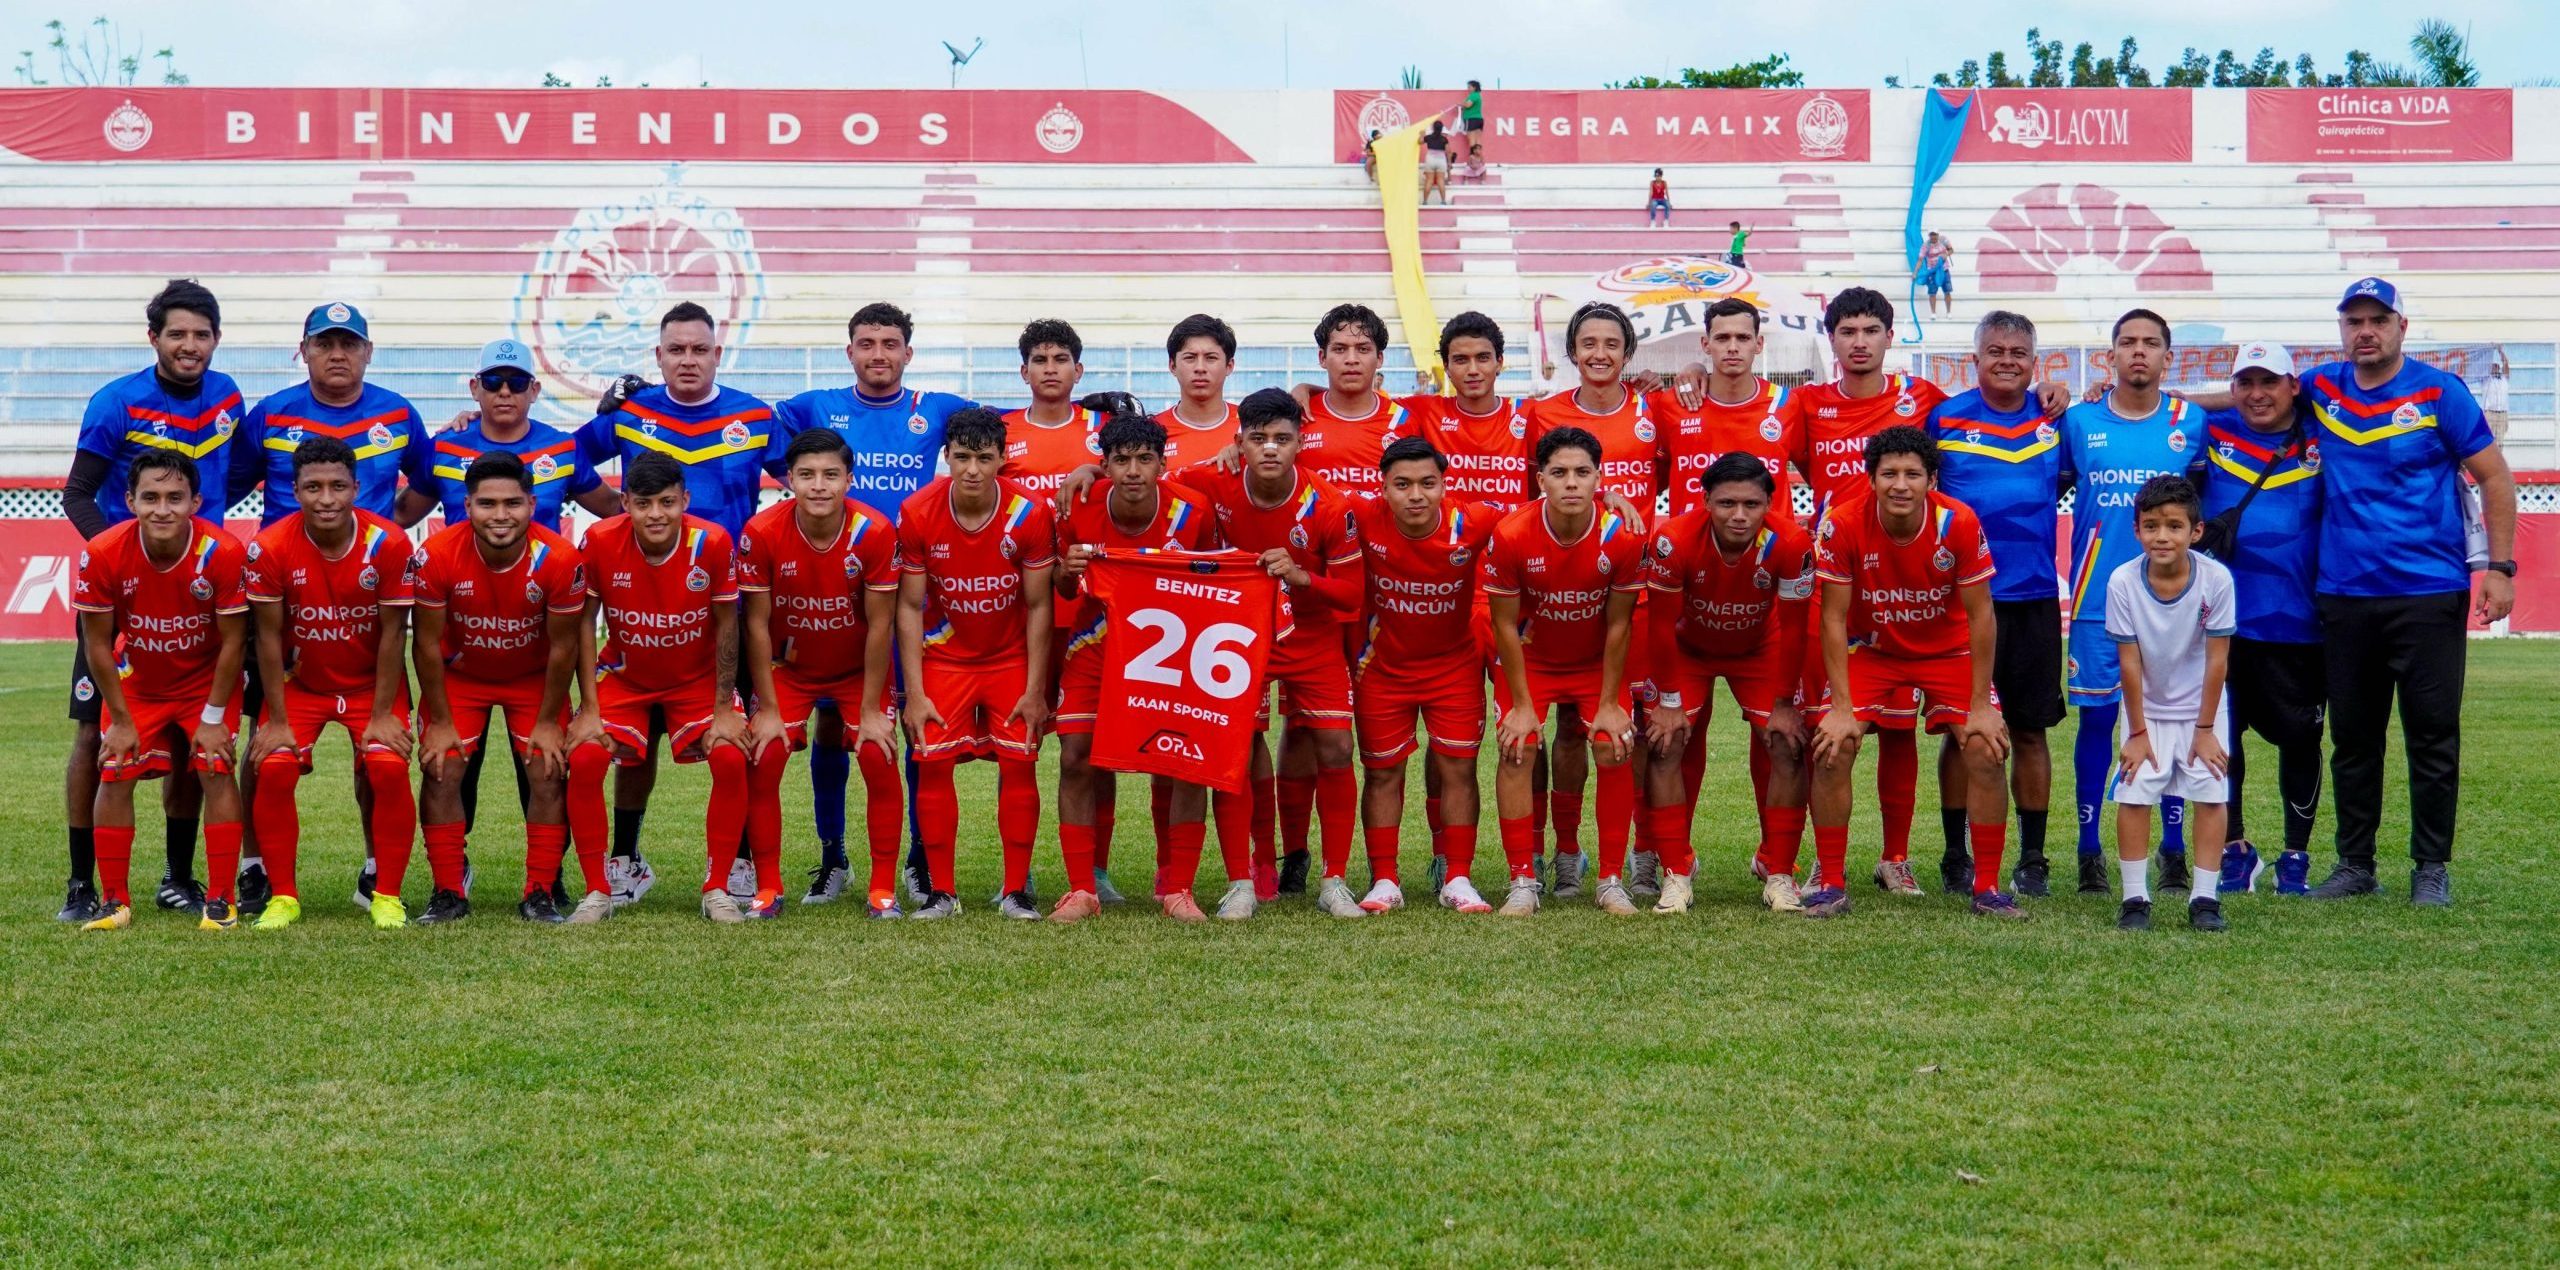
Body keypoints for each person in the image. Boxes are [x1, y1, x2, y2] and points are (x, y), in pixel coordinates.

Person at [760, 302, 987, 906]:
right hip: (829, 594)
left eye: (890, 344)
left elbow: (1009, 429)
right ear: (850, 352)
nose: (878, 354)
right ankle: (833, 856)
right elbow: (749, 427)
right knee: (832, 722)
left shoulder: (937, 408)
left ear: (908, 352)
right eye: (867, 343)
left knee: (910, 719)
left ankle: (917, 858)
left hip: (910, 590)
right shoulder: (814, 406)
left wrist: (1097, 415)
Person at [2299, 278, 2516, 905]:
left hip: (2428, 592)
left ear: (2401, 327)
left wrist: (2500, 568)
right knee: (2353, 739)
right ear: (2342, 330)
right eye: (2354, 321)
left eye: (2377, 320)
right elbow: (2250, 395)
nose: (2365, 332)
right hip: (2345, 594)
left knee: (2432, 734)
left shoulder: (2440, 392)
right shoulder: (2322, 387)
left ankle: (2431, 867)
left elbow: (2495, 477)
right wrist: (2156, 395)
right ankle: (2355, 865)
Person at [227, 300, 435, 917]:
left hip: (364, 592)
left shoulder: (398, 413)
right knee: (265, 745)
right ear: (304, 351)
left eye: (348, 343)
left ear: (368, 352)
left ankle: (378, 871)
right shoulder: (270, 414)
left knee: (378, 757)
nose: (336, 354)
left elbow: (430, 481)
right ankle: (255, 868)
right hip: (284, 597)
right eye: (324, 343)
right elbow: (224, 484)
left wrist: (385, 533)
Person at [58, 281, 246, 924]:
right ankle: (83, 883)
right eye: (177, 333)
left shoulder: (228, 396)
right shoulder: (115, 402)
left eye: (201, 334)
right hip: (124, 595)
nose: (189, 345)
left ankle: (179, 877)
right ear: (154, 338)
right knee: (96, 734)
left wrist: (191, 545)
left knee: (198, 739)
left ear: (216, 340)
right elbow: (77, 493)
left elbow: (234, 475)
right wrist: (121, 560)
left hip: (199, 590)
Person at [575, 301, 775, 903]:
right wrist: (616, 516)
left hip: (726, 604)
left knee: (736, 737)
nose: (688, 360)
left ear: (718, 354)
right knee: (633, 749)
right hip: (645, 601)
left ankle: (739, 863)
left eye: (699, 349)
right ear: (658, 357)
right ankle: (626, 859)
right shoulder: (631, 413)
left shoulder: (755, 415)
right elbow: (565, 458)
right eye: (676, 350)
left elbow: (809, 471)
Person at [1807, 427, 2019, 920]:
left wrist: (1982, 706)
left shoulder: (1958, 522)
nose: (1900, 485)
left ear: (1931, 480)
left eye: (1912, 474)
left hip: (1949, 651)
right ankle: (1831, 883)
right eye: (1889, 474)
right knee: (1833, 747)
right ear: (1871, 479)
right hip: (1874, 650)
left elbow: (1982, 615)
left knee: (1986, 748)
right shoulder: (1843, 524)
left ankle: (1987, 888)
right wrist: (1841, 709)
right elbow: (1832, 618)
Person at [1173, 389, 1366, 916]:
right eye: (1258, 438)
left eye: (1282, 438)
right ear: (1239, 443)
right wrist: (1092, 472)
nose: (1271, 448)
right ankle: (1242, 880)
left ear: (1301, 443)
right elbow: (1144, 479)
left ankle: (1334, 881)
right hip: (1240, 636)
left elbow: (1352, 595)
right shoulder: (1211, 480)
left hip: (1310, 635)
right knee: (1235, 752)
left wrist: (1303, 577)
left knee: (1336, 747)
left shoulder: (1329, 506)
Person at [1050, 410, 1224, 922]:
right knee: (1075, 757)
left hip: (1168, 655)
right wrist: (1067, 572)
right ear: (1103, 465)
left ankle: (1178, 888)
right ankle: (1082, 890)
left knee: (1183, 761)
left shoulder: (1193, 511)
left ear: (1160, 464)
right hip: (1094, 646)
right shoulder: (1078, 506)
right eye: (1121, 460)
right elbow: (1062, 586)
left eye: (1144, 459)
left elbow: (1216, 580)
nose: (1132, 471)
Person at [241, 437, 418, 930]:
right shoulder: (270, 546)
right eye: (313, 487)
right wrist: (276, 721)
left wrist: (382, 716)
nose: (326, 499)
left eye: (337, 486)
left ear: (356, 488)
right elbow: (267, 638)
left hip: (370, 688)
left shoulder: (388, 543)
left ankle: (388, 895)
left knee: (387, 766)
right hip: (302, 686)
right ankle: (283, 897)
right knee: (274, 766)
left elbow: (393, 635)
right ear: (293, 490)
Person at [407, 453, 591, 926]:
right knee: (442, 767)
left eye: (513, 503)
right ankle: (448, 891)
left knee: (547, 769)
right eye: (487, 504)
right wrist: (440, 721)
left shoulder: (560, 558)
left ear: (532, 504)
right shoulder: (436, 555)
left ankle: (541, 891)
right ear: (467, 505)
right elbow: (425, 644)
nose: (501, 515)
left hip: (532, 679)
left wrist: (548, 722)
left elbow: (563, 649)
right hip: (462, 677)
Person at [69, 450, 250, 931]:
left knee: (214, 765)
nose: (162, 509)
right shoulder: (104, 551)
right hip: (139, 681)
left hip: (204, 683)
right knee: (114, 768)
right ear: (130, 501)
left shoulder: (223, 552)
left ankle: (221, 900)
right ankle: (114, 902)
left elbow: (234, 643)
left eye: (175, 497)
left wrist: (212, 719)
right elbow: (97, 643)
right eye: (150, 497)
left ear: (196, 502)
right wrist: (120, 720)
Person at [2058, 310, 2206, 896]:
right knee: (2097, 720)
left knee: (2170, 722)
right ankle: (2088, 849)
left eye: (2150, 343)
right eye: (2127, 342)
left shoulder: (2191, 422)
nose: (2138, 351)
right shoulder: (2078, 421)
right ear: (2110, 356)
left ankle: (2173, 848)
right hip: (2097, 598)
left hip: (2171, 603)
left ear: (2168, 356)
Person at [570, 454, 754, 919]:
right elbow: (582, 623)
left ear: (684, 500)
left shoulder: (712, 541)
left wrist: (724, 707)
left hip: (696, 680)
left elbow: (727, 625)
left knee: (731, 755)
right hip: (625, 678)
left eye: (667, 502)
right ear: (625, 503)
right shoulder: (599, 540)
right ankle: (597, 891)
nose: (656, 514)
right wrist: (587, 708)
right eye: (644, 503)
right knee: (586, 757)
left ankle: (718, 887)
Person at [895, 408, 1056, 921]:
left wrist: (1035, 689)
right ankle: (942, 893)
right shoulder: (918, 511)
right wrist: (914, 694)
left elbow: (1039, 606)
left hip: (1010, 658)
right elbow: (908, 606)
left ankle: (1016, 891)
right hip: (946, 656)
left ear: (1002, 459)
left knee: (1020, 764)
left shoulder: (1029, 513)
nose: (972, 470)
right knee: (932, 764)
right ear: (946, 456)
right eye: (962, 457)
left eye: (984, 458)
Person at [738, 430, 905, 915]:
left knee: (876, 751)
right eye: (807, 475)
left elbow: (881, 625)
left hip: (856, 671)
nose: (818, 485)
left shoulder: (874, 531)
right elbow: (755, 624)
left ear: (849, 479)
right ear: (788, 479)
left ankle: (882, 887)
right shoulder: (762, 531)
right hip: (790, 670)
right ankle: (768, 887)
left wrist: (871, 710)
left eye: (831, 475)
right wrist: (769, 708)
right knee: (765, 753)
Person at [1482, 426, 1645, 916]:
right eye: (1559, 473)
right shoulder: (1512, 534)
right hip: (1532, 659)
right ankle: (1522, 881)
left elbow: (1620, 623)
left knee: (1612, 744)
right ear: (1541, 480)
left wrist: (1611, 703)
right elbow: (1503, 625)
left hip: (1594, 662)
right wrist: (1522, 706)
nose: (1571, 482)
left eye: (1582, 472)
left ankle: (1610, 880)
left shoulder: (1622, 535)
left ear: (1599, 478)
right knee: (1518, 748)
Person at [1928, 310, 2064, 897]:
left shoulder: (2057, 420)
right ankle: (1955, 856)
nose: (2007, 361)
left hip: (2033, 598)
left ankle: (2032, 859)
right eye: (1996, 351)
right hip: (1962, 602)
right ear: (1976, 358)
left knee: (2030, 731)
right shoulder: (1944, 418)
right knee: (1960, 731)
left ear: (2034, 362)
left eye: (2018, 353)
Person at [1644, 453, 1814, 914]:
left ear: (1769, 505)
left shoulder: (1792, 542)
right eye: (1726, 504)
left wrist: (1784, 703)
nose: (1739, 515)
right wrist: (1669, 702)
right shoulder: (1673, 540)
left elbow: (1795, 629)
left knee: (1787, 743)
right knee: (1666, 742)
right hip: (1688, 649)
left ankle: (1778, 871)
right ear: (1705, 501)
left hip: (1760, 647)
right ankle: (1676, 872)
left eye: (1751, 504)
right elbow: (1660, 627)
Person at [2196, 341, 2324, 897]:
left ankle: (2296, 855)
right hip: (2221, 624)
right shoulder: (2211, 430)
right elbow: (2157, 408)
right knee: (2223, 741)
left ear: (2294, 386)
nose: (2256, 394)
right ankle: (2235, 850)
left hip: (2300, 624)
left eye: (2269, 381)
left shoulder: (2324, 434)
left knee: (2301, 740)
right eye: (2245, 383)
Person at [1353, 437, 1500, 913]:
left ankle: (1458, 878)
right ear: (1383, 488)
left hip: (1454, 667)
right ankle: (1384, 880)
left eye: (1427, 483)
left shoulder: (1473, 520)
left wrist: (1608, 496)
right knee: (1382, 772)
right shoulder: (1361, 516)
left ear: (1443, 485)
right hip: (1383, 669)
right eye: (1402, 484)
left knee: (1459, 769)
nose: (1416, 495)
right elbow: (1300, 498)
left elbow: (1542, 512)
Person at [2105, 476, 2236, 932]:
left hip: (2204, 711)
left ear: (2195, 532)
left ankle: (2205, 899)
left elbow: (2217, 661)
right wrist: (2138, 733)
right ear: (2136, 530)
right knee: (2134, 792)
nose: (2162, 536)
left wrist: (2205, 731)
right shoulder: (2122, 581)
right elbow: (2129, 663)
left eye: (2175, 526)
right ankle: (2134, 899)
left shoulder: (2216, 579)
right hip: (2146, 711)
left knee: (2211, 794)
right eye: (2151, 526)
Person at [1156, 314, 1242, 469]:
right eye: (1190, 358)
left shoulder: (1251, 427)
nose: (1200, 368)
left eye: (1211, 358)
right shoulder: (1152, 431)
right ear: (1172, 366)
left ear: (1229, 366)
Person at [1919, 231, 1955, 316]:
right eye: (1932, 235)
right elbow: (1920, 259)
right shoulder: (1926, 245)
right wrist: (1915, 273)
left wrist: (1946, 254)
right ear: (1929, 236)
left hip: (1944, 270)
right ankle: (1933, 313)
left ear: (1938, 235)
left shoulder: (1943, 240)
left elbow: (1951, 250)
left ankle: (1948, 312)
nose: (1933, 237)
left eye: (1935, 234)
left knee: (1947, 291)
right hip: (1932, 271)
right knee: (1932, 292)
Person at [1421, 120, 1451, 206]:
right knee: (1440, 181)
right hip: (1441, 160)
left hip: (1430, 159)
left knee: (1429, 180)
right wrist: (1449, 163)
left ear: (1433, 128)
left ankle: (1425, 201)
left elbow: (1419, 142)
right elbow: (1448, 152)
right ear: (1441, 129)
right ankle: (1443, 201)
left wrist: (1422, 134)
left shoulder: (1428, 137)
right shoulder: (1444, 139)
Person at [2482, 354, 2509, 442]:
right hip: (2490, 413)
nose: (2495, 368)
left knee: (2500, 440)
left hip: (2502, 413)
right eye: (2493, 366)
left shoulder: (2504, 378)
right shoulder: (2486, 379)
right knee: (2489, 439)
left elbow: (2506, 363)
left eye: (2496, 366)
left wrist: (2501, 351)